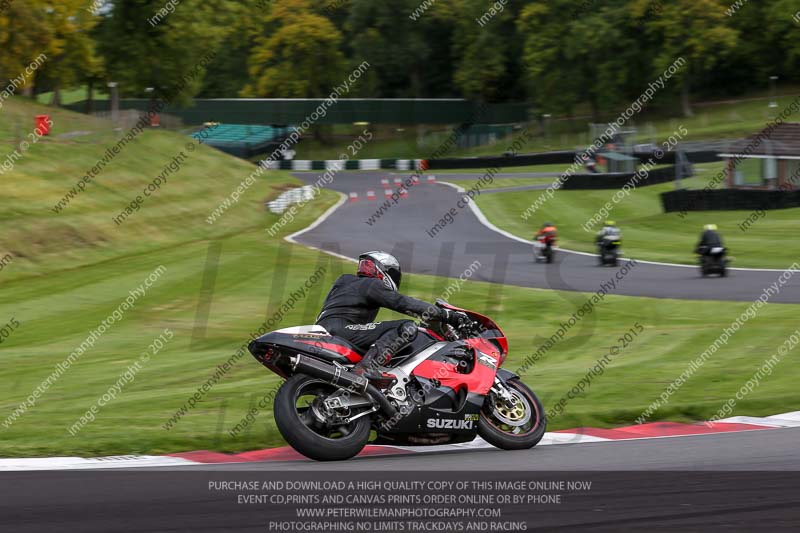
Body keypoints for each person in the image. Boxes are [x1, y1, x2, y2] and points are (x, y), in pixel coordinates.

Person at [316, 251, 468, 380]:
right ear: (382, 270)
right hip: (343, 330)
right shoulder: (372, 284)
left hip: (324, 329)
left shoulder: (344, 282)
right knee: (406, 327)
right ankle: (366, 368)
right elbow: (403, 303)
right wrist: (447, 315)